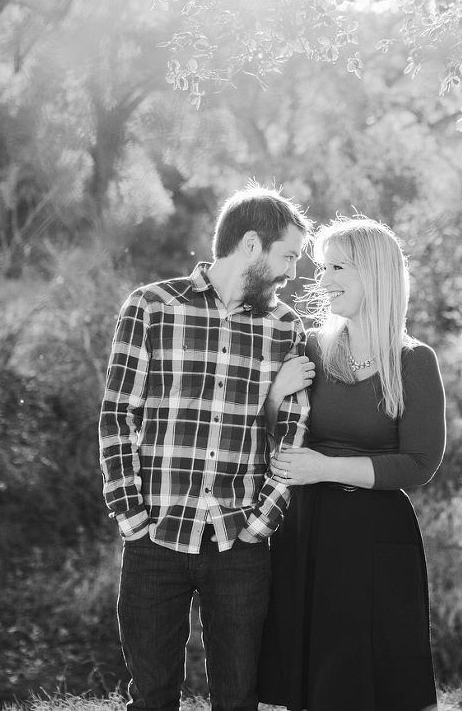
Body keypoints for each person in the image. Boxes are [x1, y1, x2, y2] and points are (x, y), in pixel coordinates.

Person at [98, 185, 313, 711]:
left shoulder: (285, 327)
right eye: (287, 256)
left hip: (239, 542)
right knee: (151, 697)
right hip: (154, 538)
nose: (291, 273)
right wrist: (130, 514)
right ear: (250, 245)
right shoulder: (150, 306)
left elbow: (293, 427)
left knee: (239, 698)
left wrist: (263, 520)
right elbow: (117, 412)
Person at [256, 216, 447, 711]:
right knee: (311, 679)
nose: (322, 281)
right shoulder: (311, 348)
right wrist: (275, 397)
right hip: (303, 528)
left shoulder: (414, 361)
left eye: (336, 267)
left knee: (363, 682)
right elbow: (272, 435)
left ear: (375, 272)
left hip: (374, 538)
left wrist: (325, 468)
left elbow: (420, 463)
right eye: (321, 268)